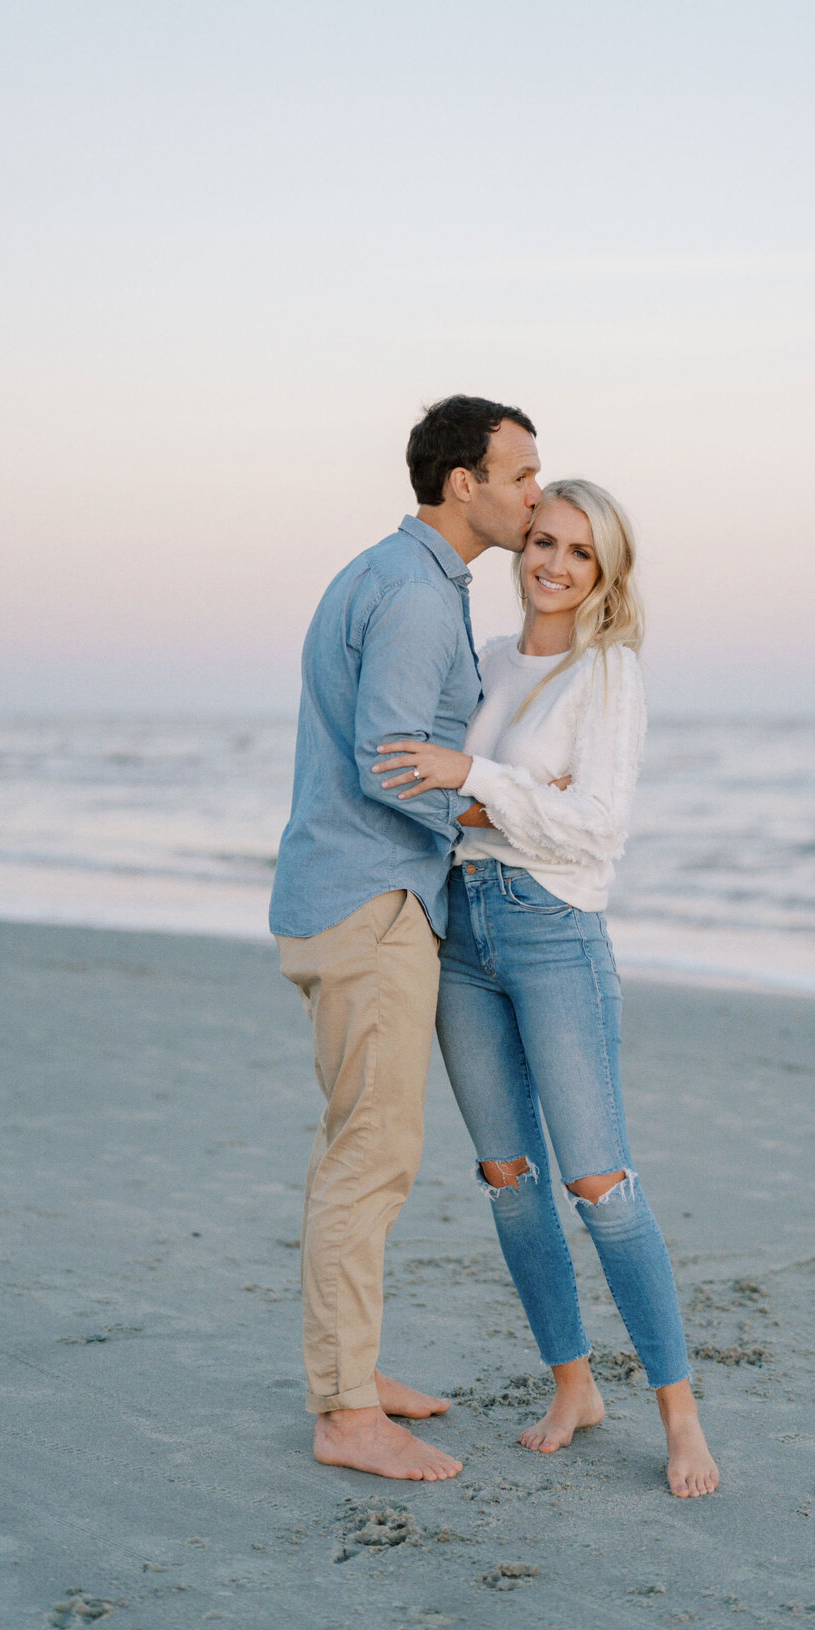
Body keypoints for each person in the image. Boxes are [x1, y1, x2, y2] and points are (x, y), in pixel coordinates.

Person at [372, 480, 719, 1497]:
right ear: (520, 549)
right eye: (543, 541)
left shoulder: (608, 674)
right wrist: (511, 795)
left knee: (599, 1185)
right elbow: (452, 800)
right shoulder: (485, 665)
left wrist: (478, 781)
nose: (554, 563)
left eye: (579, 551)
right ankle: (574, 1386)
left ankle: (680, 1412)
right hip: (464, 928)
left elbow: (597, 828)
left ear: (606, 573)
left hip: (554, 934)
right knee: (506, 1179)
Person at [269, 394, 542, 1481]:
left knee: (365, 1148)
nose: (535, 492)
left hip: (347, 895)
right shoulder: (420, 600)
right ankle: (344, 1414)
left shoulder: (389, 576)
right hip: (372, 905)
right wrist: (504, 810)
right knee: (370, 1158)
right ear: (462, 482)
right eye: (520, 474)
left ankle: (356, 1370)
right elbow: (397, 760)